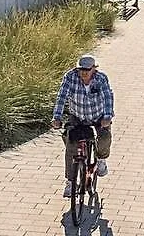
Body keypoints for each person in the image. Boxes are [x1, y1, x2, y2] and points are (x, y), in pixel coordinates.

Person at [51, 54, 114, 198]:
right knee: (70, 143)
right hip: (78, 116)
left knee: (104, 137)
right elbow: (61, 97)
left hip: (98, 116)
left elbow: (108, 97)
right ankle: (70, 182)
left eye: (87, 70)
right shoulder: (70, 77)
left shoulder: (101, 78)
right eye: (81, 69)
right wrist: (57, 117)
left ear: (94, 69)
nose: (83, 72)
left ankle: (101, 159)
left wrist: (107, 117)